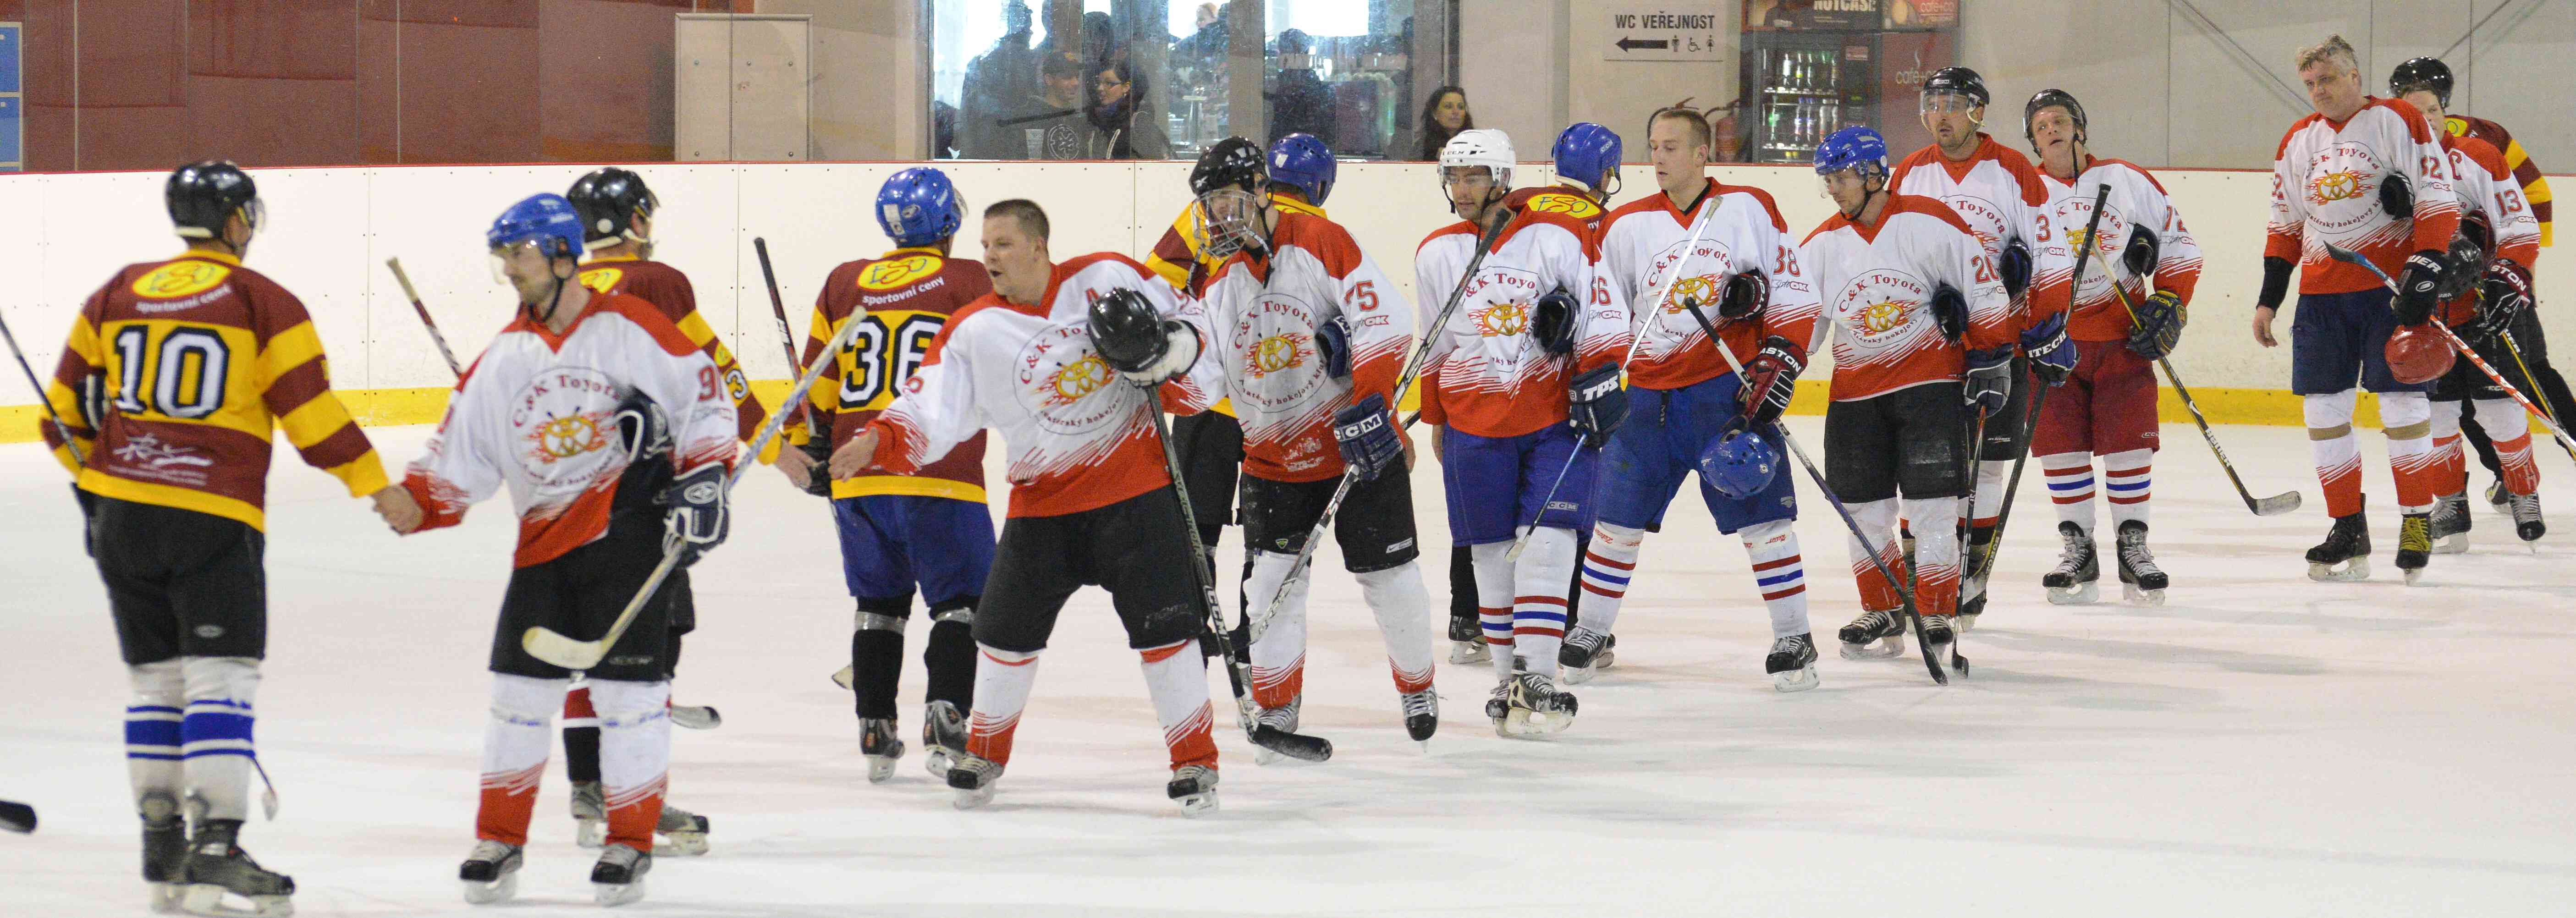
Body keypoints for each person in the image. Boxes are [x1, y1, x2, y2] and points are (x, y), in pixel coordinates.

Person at [40, 160, 403, 918]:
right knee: (220, 678)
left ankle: (162, 840)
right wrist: (376, 483)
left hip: (122, 516)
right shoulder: (262, 300)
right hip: (212, 514)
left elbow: (60, 416)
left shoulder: (116, 292)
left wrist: (97, 482)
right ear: (238, 220)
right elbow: (312, 414)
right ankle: (217, 844)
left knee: (155, 682)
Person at [376, 193, 739, 907]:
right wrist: (418, 498)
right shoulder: (504, 356)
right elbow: (459, 460)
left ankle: (628, 840)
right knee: (517, 700)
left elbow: (706, 404)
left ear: (564, 253)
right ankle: (499, 838)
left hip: (631, 537)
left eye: (521, 253)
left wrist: (704, 478)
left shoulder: (632, 326)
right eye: (504, 256)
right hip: (542, 550)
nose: (510, 269)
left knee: (632, 701)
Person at [826, 199, 1230, 815]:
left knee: (1168, 634)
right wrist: (877, 439)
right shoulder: (974, 328)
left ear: (1039, 247)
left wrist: (1169, 353)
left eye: (1003, 243)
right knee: (1002, 636)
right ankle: (985, 753)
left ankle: (1194, 760)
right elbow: (929, 403)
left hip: (1136, 497)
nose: (989, 256)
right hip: (1041, 507)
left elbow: (1194, 333)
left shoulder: (1107, 276)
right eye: (985, 245)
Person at [1190, 137, 1440, 753]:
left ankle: (1417, 685)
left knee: (1391, 577)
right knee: (1270, 587)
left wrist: (1370, 402)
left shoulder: (1321, 241)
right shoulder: (1219, 283)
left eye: (1227, 198)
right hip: (1273, 459)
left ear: (1260, 190)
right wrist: (1156, 369)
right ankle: (1278, 705)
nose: (1217, 214)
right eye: (1209, 203)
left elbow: (1386, 319)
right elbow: (1204, 379)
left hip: (1358, 447)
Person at [1574, 105, 1824, 691]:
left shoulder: (1748, 207)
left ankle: (1794, 636)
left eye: (1670, 147)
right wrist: (1595, 376)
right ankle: (1590, 631)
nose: (1657, 158)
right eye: (1652, 146)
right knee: (1614, 522)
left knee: (1763, 519)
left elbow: (1793, 291)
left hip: (1726, 394)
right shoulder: (1626, 224)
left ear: (1701, 154)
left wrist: (1781, 356)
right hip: (1647, 400)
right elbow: (1604, 310)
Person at [771, 167, 996, 784]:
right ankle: (946, 720)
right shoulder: (969, 278)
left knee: (879, 604)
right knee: (961, 604)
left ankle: (875, 725)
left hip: (858, 476)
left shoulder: (845, 280)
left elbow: (818, 381)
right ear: (949, 221)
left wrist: (807, 446)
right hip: (939, 469)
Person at [556, 166, 758, 856]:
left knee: (587, 642)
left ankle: (589, 788)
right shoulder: (657, 281)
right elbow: (716, 369)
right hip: (640, 496)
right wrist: (776, 443)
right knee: (648, 649)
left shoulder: (557, 285)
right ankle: (632, 800)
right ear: (636, 221)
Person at [1416, 124, 1631, 737]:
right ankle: (1506, 678)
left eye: (1475, 176)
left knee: (1548, 535)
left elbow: (1606, 315)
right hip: (1472, 420)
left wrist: (1598, 374)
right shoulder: (1436, 252)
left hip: (1553, 417)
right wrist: (1436, 418)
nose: (1463, 188)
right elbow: (1433, 342)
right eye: (1454, 177)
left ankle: (1537, 672)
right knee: (1488, 546)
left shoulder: (1556, 236)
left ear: (1503, 179)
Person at [2252, 35, 2461, 585]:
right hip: (2322, 296)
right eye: (2310, 83)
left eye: (2327, 79)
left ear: (2354, 77)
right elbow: (2284, 225)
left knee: (2401, 404)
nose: (2318, 91)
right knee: (2323, 411)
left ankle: (2415, 520)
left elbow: (2435, 194)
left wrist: (2427, 262)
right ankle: (2347, 524)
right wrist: (2270, 298)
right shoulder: (2298, 139)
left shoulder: (2396, 119)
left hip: (2389, 289)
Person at [1802, 126, 2010, 667]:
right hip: (1855, 397)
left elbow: (1985, 290)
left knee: (1932, 506)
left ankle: (1936, 608)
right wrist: (1773, 366)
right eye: (1827, 180)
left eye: (1841, 177)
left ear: (1875, 174)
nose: (1833, 190)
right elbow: (1799, 323)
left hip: (1930, 386)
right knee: (1861, 508)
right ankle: (1883, 604)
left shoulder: (1930, 221)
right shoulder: (1821, 244)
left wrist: (1990, 356)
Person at [1887, 66, 2075, 630]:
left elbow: (2051, 253)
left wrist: (2048, 325)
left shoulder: (2012, 170)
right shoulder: (1911, 172)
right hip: (1930, 347)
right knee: (1922, 465)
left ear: (1977, 110)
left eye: (1951, 103)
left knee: (1987, 465)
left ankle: (1971, 572)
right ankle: (1920, 574)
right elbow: (1891, 251)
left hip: (2000, 344)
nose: (1939, 115)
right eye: (1932, 103)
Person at [1141, 135, 1333, 638]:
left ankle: (1189, 627)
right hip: (1277, 408)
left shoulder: (1205, 212)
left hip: (1209, 400)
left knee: (1196, 523)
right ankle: (1257, 635)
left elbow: (1156, 284)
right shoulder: (1319, 230)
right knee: (1268, 535)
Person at [2023, 90, 2202, 607]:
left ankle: (2132, 545)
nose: (2051, 129)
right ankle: (2077, 546)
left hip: (2123, 336)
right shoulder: (2024, 188)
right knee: (2061, 444)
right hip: (2053, 339)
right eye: (2040, 126)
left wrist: (2170, 298)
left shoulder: (2124, 179)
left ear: (2080, 128)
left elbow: (2180, 246)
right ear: (2033, 141)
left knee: (2128, 441)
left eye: (2059, 120)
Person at [2395, 59, 2576, 514]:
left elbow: (2534, 194)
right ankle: (2501, 474)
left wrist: (2514, 270)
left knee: (2532, 373)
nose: (2423, 113)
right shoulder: (2394, 144)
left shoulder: (2484, 137)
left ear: (2443, 101)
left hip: (2498, 283)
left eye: (2430, 103)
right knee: (2460, 392)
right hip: (2442, 296)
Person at [1085, 59, 1169, 160]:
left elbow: (1153, 164)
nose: (1100, 88)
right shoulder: (1096, 121)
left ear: (1126, 87)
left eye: (1109, 83)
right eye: (1099, 83)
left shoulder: (1138, 122)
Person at [1414, 85, 1472, 162]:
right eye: (1448, 107)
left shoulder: (1476, 143)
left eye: (1461, 107)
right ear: (1434, 113)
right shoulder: (1423, 147)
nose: (1456, 112)